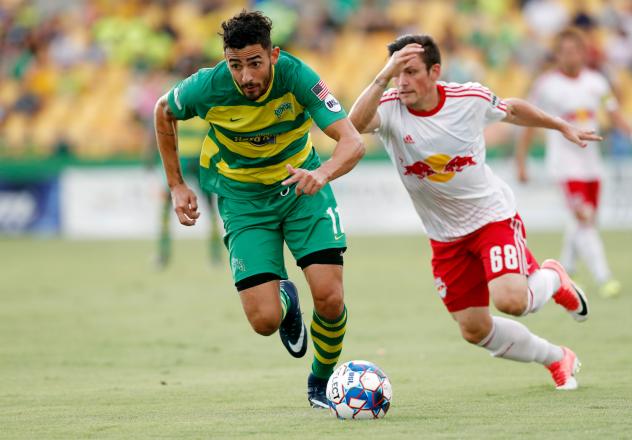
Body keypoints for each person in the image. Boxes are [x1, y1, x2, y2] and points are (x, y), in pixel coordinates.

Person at [349, 34, 599, 390]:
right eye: (396, 73)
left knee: (512, 301)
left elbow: (511, 110)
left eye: (410, 71)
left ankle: (554, 277)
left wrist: (560, 125)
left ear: (435, 71)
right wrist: (382, 75)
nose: (402, 82)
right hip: (444, 237)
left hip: (490, 218)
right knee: (474, 328)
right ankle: (557, 358)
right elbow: (353, 125)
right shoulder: (389, 106)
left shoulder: (468, 98)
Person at [153, 10, 364, 408]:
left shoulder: (298, 77)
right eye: (236, 65)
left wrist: (323, 174)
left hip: (302, 187)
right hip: (243, 199)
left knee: (331, 298)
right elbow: (163, 111)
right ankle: (287, 299)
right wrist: (176, 184)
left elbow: (352, 142)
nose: (246, 76)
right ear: (225, 62)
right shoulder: (207, 87)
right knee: (264, 321)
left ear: (273, 55)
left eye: (254, 63)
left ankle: (320, 381)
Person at [516, 28, 631, 298]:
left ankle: (566, 267)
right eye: (565, 51)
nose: (571, 56)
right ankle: (605, 278)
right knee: (584, 219)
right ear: (557, 55)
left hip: (592, 163)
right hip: (564, 164)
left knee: (586, 220)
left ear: (584, 53)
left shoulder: (597, 82)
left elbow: (615, 117)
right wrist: (521, 160)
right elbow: (527, 122)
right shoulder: (546, 85)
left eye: (576, 50)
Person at [148, 118, 223, 269]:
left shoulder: (173, 105)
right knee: (211, 209)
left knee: (167, 208)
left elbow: (158, 130)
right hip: (200, 161)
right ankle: (216, 256)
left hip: (180, 160)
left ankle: (163, 255)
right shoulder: (200, 105)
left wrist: (149, 158)